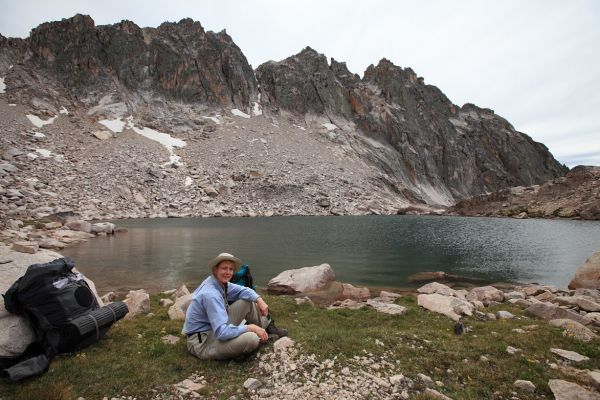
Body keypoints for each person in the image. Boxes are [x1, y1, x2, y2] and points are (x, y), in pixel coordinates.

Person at [183, 252, 287, 360]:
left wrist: (259, 300)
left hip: (212, 330)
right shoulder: (211, 294)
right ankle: (250, 341)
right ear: (215, 270)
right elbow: (222, 332)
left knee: (247, 301)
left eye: (230, 269)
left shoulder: (218, 283)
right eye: (224, 268)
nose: (228, 272)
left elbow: (244, 290)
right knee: (252, 339)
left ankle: (265, 330)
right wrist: (250, 328)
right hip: (202, 343)